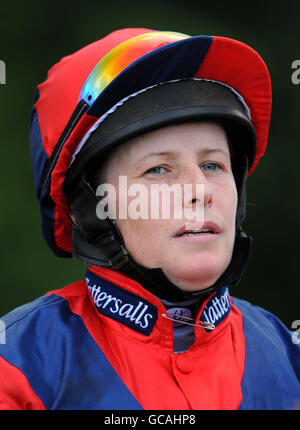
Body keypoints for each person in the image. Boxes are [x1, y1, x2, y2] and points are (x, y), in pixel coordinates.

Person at [0, 28, 299, 410]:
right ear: (88, 208)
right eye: (159, 170)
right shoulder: (17, 365)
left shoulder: (290, 359)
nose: (200, 190)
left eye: (212, 164)